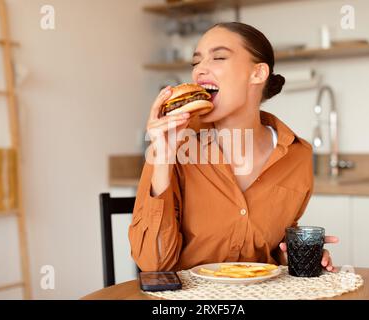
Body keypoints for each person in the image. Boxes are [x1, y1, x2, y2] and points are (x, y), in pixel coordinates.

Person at [129, 22, 338, 272]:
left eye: (218, 57)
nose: (199, 71)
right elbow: (154, 263)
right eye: (196, 63)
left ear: (258, 73)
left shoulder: (297, 155)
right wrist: (162, 158)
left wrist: (300, 253)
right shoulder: (177, 146)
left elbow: (272, 248)